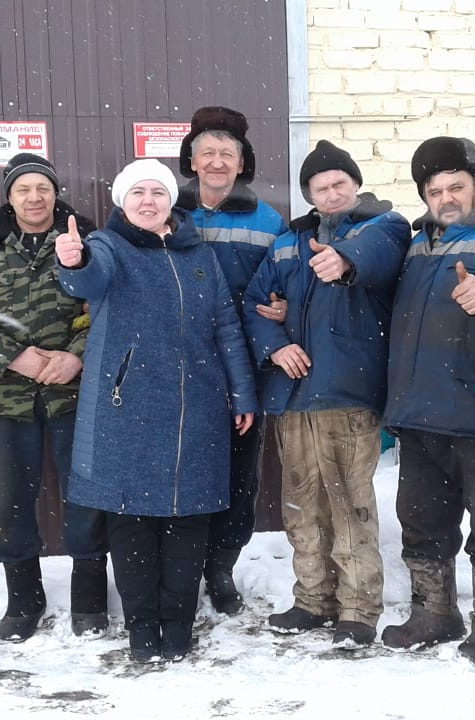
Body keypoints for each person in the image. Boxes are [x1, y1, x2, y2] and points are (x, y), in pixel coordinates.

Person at [54, 159, 257, 663]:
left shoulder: (199, 255)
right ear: (122, 200)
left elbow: (227, 329)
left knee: (189, 523)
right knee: (132, 524)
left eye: (157, 192)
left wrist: (243, 393)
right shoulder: (107, 246)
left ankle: (178, 630)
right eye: (137, 192)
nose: (148, 200)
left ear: (171, 200)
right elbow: (87, 281)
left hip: (199, 411)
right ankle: (143, 632)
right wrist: (72, 261)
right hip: (129, 411)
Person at [242, 140, 410, 648]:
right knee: (300, 506)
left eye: (340, 183)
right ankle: (312, 599)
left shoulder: (383, 227)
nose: (333, 192)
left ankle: (358, 608)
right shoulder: (288, 243)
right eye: (322, 187)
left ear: (355, 185)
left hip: (347, 392)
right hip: (293, 397)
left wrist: (343, 260)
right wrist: (275, 344)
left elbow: (373, 256)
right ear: (310, 195)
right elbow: (254, 301)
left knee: (351, 505)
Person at [0, 153, 110, 641]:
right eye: (23, 189)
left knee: (86, 494)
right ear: (10, 196)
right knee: (11, 500)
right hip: (7, 397)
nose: (34, 197)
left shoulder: (88, 240)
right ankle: (23, 598)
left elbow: (109, 302)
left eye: (42, 187)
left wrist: (76, 355)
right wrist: (11, 356)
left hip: (75, 394)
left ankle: (90, 595)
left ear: (55, 191)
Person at [380, 137, 475, 666]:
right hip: (418, 409)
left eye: (456, 187)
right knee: (420, 520)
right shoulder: (417, 244)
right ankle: (434, 612)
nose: (445, 197)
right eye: (434, 189)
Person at [175, 106, 287, 615]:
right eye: (208, 153)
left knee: (237, 477)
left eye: (228, 154)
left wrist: (283, 305)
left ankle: (221, 568)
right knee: (182, 470)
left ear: (242, 163)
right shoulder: (165, 209)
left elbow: (277, 289)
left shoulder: (268, 221)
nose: (217, 162)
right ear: (192, 161)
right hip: (176, 370)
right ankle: (180, 566)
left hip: (241, 369)